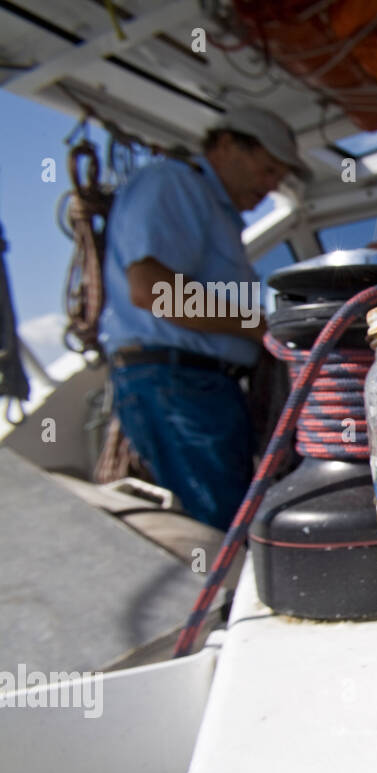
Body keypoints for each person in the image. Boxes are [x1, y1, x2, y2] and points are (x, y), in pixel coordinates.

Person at [99, 108, 307, 529]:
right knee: (223, 526)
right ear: (227, 144)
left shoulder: (217, 212)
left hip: (205, 387)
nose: (269, 187)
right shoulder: (173, 183)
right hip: (177, 386)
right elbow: (152, 289)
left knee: (235, 518)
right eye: (267, 170)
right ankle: (223, 594)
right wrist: (260, 328)